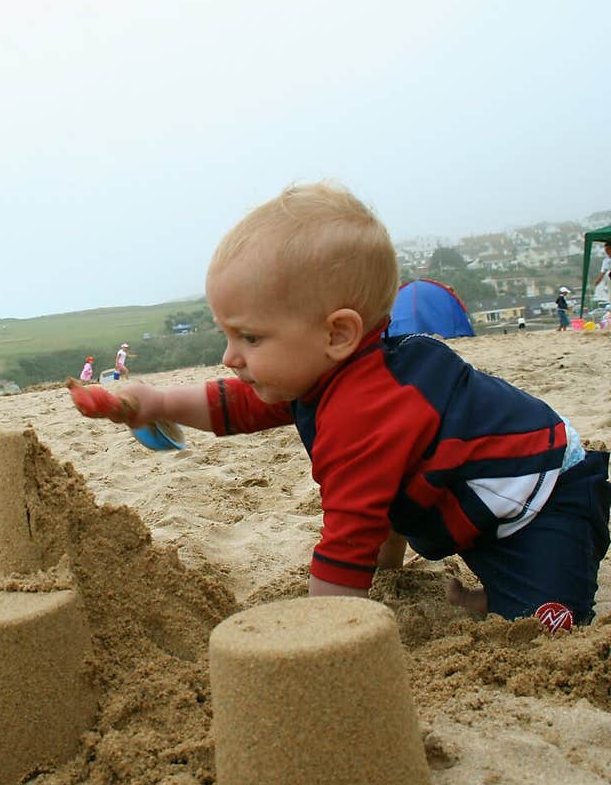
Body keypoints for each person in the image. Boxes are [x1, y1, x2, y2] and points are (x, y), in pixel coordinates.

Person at [68, 181, 610, 627]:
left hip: (543, 498)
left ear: (337, 334)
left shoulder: (365, 413)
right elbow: (238, 407)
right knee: (400, 484)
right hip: (473, 500)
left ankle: (503, 603)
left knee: (550, 621)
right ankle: (479, 590)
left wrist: (320, 634)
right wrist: (155, 401)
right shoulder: (330, 373)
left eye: (250, 338)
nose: (230, 356)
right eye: (228, 335)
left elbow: (346, 540)